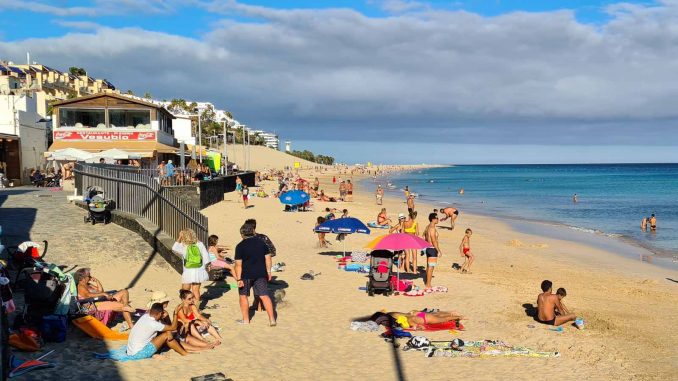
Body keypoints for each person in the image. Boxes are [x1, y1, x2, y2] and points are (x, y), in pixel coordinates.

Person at [234, 224, 276, 326]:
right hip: (261, 273)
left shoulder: (240, 246)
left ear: (242, 234)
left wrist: (238, 279)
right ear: (253, 232)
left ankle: (246, 320)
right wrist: (269, 272)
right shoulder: (262, 243)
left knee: (243, 296)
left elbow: (238, 265)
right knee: (264, 296)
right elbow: (268, 258)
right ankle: (272, 320)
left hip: (245, 275)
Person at [173, 229, 210, 302]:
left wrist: (180, 237)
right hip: (199, 270)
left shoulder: (184, 246)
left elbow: (174, 248)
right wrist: (208, 265)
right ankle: (196, 308)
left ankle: (185, 307)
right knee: (196, 290)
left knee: (184, 291)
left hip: (188, 271)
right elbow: (206, 257)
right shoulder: (200, 244)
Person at [369, 310, 464, 331]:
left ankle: (458, 317)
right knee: (437, 315)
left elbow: (420, 327)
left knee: (441, 319)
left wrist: (417, 328)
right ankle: (451, 312)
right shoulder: (394, 314)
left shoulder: (408, 323)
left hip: (424, 319)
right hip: (415, 313)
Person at [423, 213, 441, 289]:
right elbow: (434, 240)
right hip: (432, 248)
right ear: (433, 219)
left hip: (428, 248)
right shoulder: (432, 228)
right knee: (431, 267)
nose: (438, 219)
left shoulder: (427, 227)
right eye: (437, 218)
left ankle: (427, 281)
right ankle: (428, 284)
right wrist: (439, 250)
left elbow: (424, 237)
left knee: (428, 266)